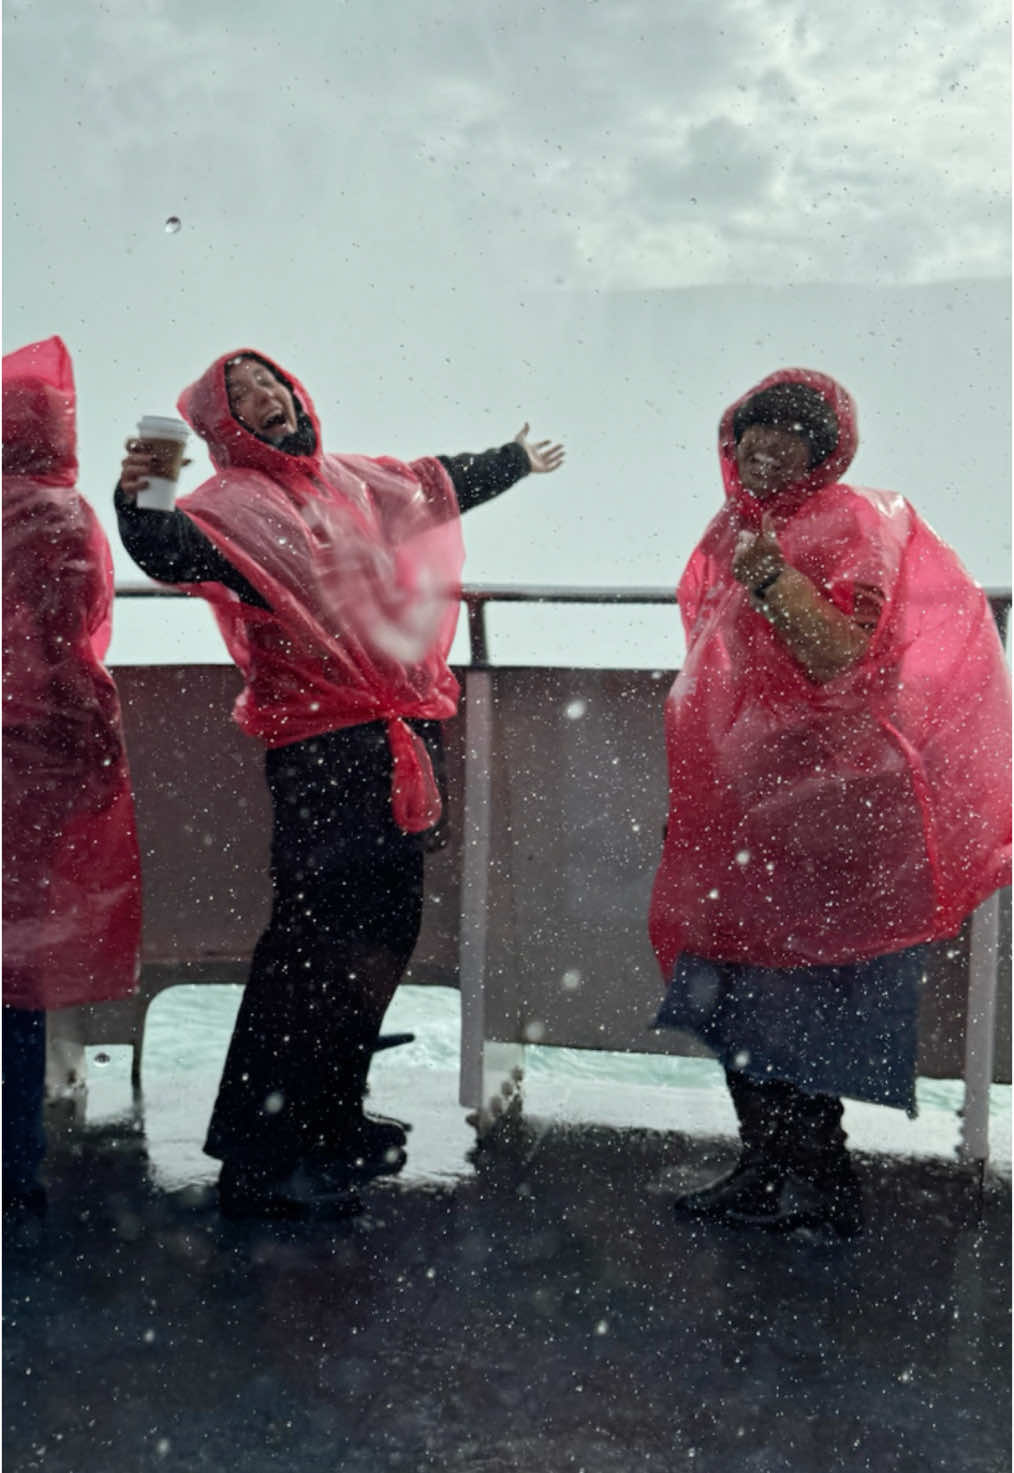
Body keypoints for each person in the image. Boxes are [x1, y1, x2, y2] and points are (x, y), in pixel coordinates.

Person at [115, 347, 564, 1220]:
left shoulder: (356, 484)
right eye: (242, 397)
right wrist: (142, 489)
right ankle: (259, 1152)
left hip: (401, 736)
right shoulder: (228, 507)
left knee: (384, 935)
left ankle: (330, 1120)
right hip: (323, 749)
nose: (267, 399)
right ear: (220, 426)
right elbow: (167, 551)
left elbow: (436, 483)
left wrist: (512, 460)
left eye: (272, 383)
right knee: (311, 948)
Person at [649, 368, 1011, 1239]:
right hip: (746, 800)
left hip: (829, 801)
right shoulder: (733, 526)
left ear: (826, 448)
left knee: (795, 994)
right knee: (734, 983)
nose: (766, 449)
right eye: (753, 432)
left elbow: (839, 658)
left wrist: (774, 580)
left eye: (790, 435)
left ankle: (819, 1182)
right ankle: (767, 1165)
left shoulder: (854, 520)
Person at [3, 336, 142, 1223]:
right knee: (11, 965)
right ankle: (13, 1164)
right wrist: (97, 751)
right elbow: (67, 648)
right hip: (32, 764)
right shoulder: (59, 517)